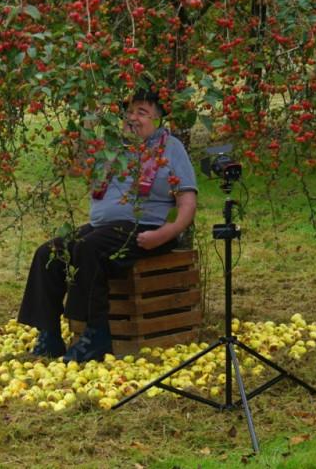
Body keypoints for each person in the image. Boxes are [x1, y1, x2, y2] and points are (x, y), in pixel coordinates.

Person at [17, 85, 198, 363]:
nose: (133, 118)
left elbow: (187, 200)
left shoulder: (170, 148)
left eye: (142, 112)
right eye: (128, 111)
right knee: (49, 252)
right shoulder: (111, 147)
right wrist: (89, 120)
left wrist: (167, 233)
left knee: (89, 248)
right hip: (103, 229)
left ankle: (96, 335)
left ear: (158, 119)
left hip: (144, 228)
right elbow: (75, 166)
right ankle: (49, 333)